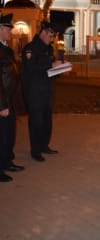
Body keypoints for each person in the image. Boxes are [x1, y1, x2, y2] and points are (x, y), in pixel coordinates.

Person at [21, 21, 62, 162]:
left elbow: (50, 69)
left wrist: (59, 69)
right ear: (43, 33)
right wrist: (51, 64)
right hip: (34, 91)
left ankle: (44, 145)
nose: (52, 39)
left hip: (47, 90)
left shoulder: (48, 49)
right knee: (36, 121)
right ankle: (35, 150)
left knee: (46, 120)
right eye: (50, 36)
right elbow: (32, 68)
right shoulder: (30, 49)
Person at [0, 13, 25, 182]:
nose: (11, 31)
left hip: (11, 99)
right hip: (3, 101)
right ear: (0, 29)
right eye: (9, 28)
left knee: (9, 134)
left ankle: (7, 161)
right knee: (1, 135)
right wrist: (1, 105)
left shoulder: (6, 49)